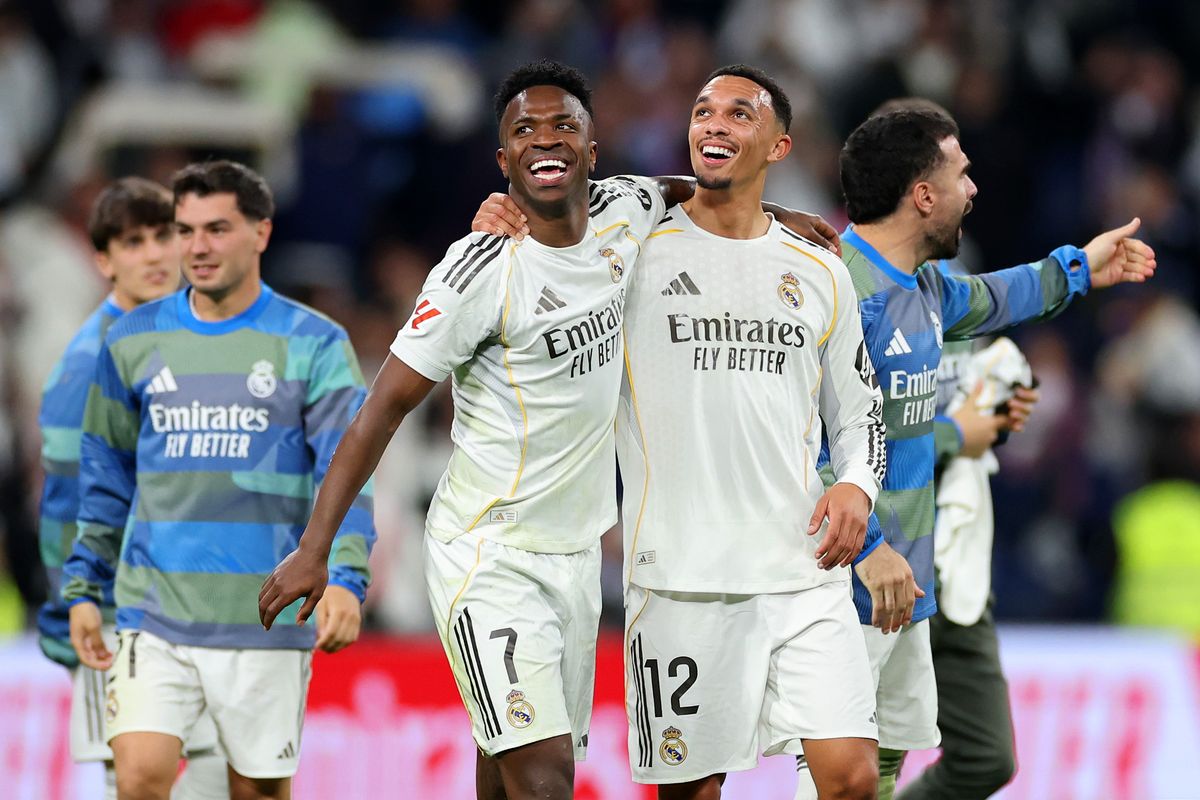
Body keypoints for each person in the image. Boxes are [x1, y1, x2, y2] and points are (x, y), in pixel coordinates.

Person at [259, 60, 837, 800]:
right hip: (488, 555)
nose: (546, 138)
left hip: (572, 557)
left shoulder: (624, 209)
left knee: (508, 775)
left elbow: (676, 190)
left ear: (594, 151)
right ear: (504, 163)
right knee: (546, 776)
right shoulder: (477, 273)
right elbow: (380, 411)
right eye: (524, 130)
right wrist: (314, 549)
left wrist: (774, 218)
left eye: (565, 124)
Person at [792, 106, 1156, 800]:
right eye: (961, 174)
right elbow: (800, 448)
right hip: (844, 588)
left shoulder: (924, 289)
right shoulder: (833, 287)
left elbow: (998, 296)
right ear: (923, 194)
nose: (974, 188)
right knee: (841, 786)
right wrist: (868, 549)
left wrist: (1082, 267)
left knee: (886, 777)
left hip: (908, 587)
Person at [613, 65, 925, 800]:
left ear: (780, 145)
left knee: (849, 778)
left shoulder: (817, 266)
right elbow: (564, 201)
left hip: (802, 568)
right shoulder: (633, 250)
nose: (714, 124)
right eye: (702, 111)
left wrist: (854, 483)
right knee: (694, 791)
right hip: (680, 577)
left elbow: (859, 409)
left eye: (739, 114)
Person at [62, 161, 375, 800]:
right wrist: (84, 587)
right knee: (140, 779)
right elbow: (104, 479)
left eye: (217, 228)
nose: (197, 247)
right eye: (186, 230)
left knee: (256, 792)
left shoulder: (314, 342)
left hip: (264, 613)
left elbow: (343, 470)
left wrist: (344, 577)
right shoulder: (131, 340)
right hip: (153, 613)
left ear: (261, 232)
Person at [37, 177, 229, 799]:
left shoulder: (191, 340)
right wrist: (81, 604)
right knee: (140, 784)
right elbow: (66, 509)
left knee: (219, 779)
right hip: (123, 618)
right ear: (103, 259)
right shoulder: (88, 365)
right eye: (132, 241)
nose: (153, 255)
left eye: (164, 236)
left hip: (197, 611)